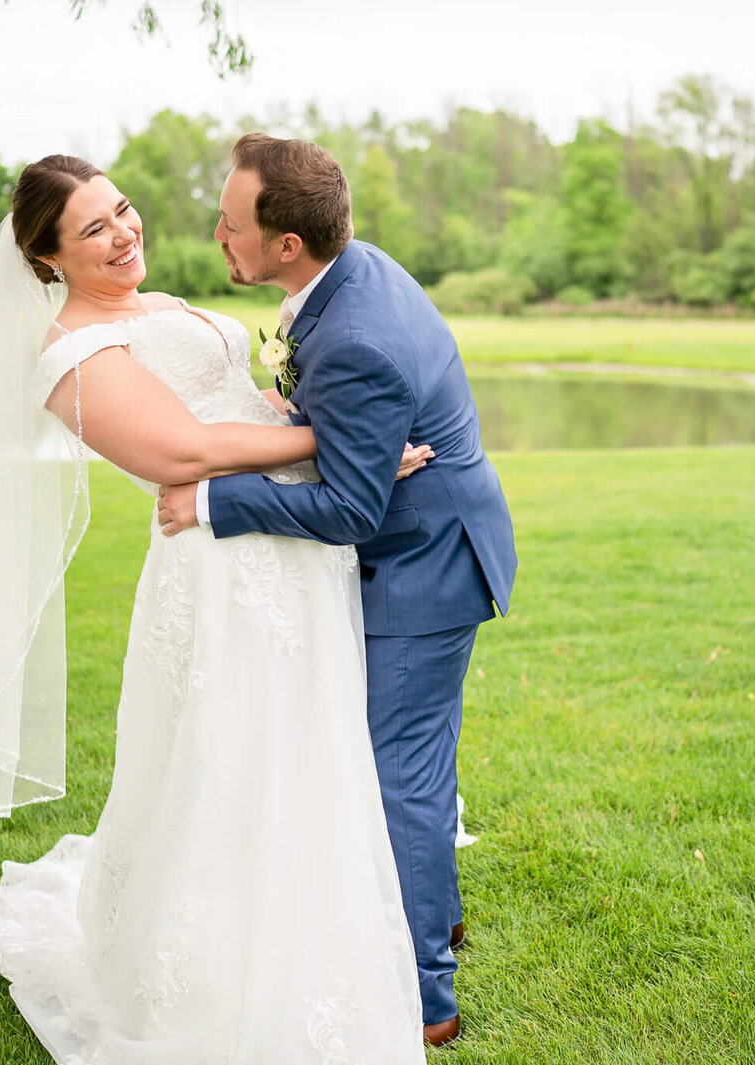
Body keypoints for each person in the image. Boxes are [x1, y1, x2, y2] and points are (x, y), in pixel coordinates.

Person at [0, 154, 433, 1062]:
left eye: (123, 212)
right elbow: (182, 449)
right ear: (48, 260)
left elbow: (243, 402)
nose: (123, 235)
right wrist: (347, 439)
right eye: (94, 231)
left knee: (303, 746)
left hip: (286, 541)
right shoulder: (71, 356)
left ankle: (317, 917)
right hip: (219, 568)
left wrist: (307, 428)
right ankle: (207, 972)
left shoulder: (157, 310)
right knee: (230, 756)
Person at [155, 134, 518, 1043]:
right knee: (406, 763)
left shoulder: (355, 334)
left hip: (423, 566)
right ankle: (437, 914)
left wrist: (210, 499)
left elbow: (354, 509)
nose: (217, 235)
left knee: (401, 777)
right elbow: (346, 437)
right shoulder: (347, 274)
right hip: (428, 539)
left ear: (287, 244)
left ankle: (427, 996)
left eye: (232, 226)